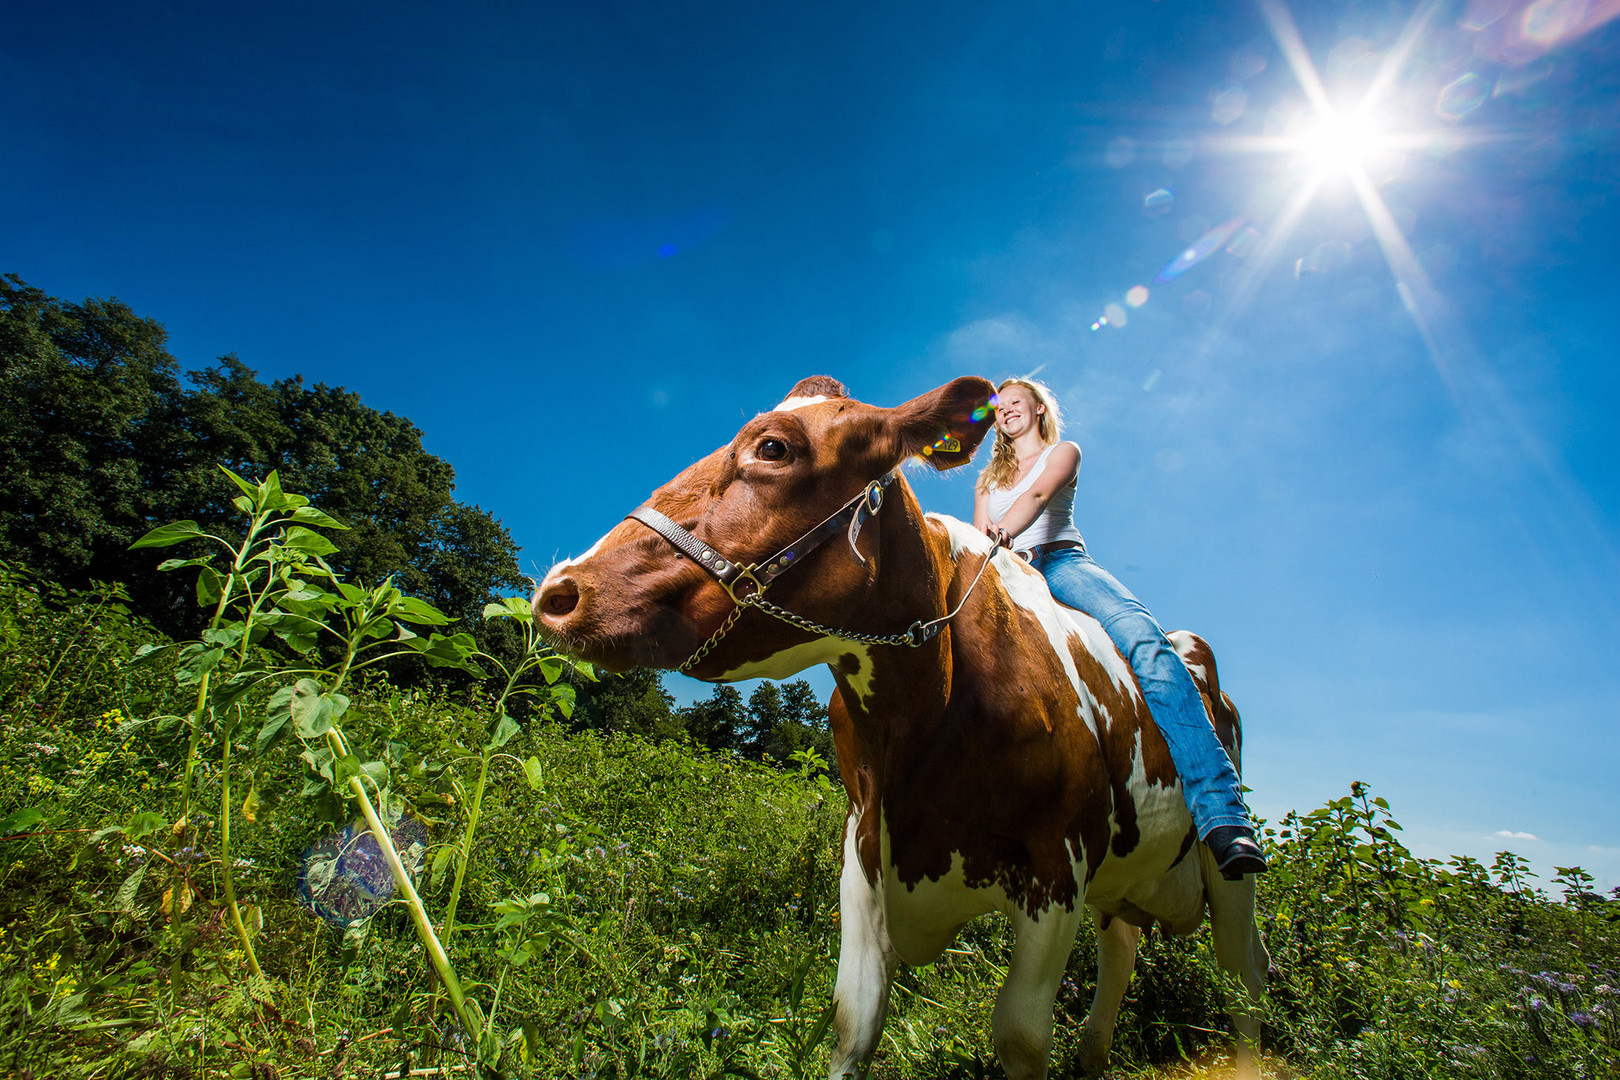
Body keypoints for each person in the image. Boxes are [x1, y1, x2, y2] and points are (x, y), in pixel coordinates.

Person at [973, 377, 1267, 880]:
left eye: (1015, 403)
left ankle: (1222, 815)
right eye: (998, 409)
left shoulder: (1062, 452)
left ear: (1039, 410)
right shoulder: (986, 481)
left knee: (1147, 645)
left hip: (1061, 565)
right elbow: (978, 540)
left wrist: (1002, 534)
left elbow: (1040, 495)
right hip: (1008, 574)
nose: (1005, 412)